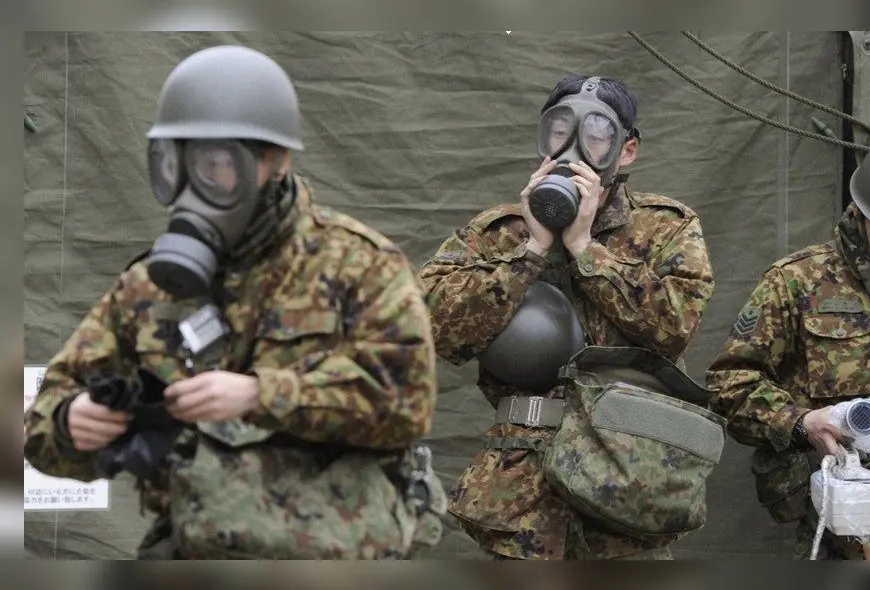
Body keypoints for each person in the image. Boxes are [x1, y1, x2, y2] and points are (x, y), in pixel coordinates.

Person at [22, 45, 444, 560]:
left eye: (217, 165)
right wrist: (71, 421)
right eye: (178, 164)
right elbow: (41, 427)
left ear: (277, 161)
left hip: (337, 553)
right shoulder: (147, 287)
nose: (194, 186)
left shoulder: (359, 265)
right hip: (194, 548)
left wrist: (259, 396)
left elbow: (406, 405)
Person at [419, 75, 715, 560]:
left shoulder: (667, 227)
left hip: (628, 485)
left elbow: (674, 328)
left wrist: (584, 248)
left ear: (626, 151)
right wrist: (531, 250)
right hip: (522, 495)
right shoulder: (499, 232)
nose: (574, 148)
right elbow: (431, 323)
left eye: (596, 135)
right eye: (560, 132)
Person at [706, 130, 870, 559]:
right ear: (863, 209)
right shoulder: (797, 282)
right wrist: (801, 421)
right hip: (842, 526)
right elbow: (728, 385)